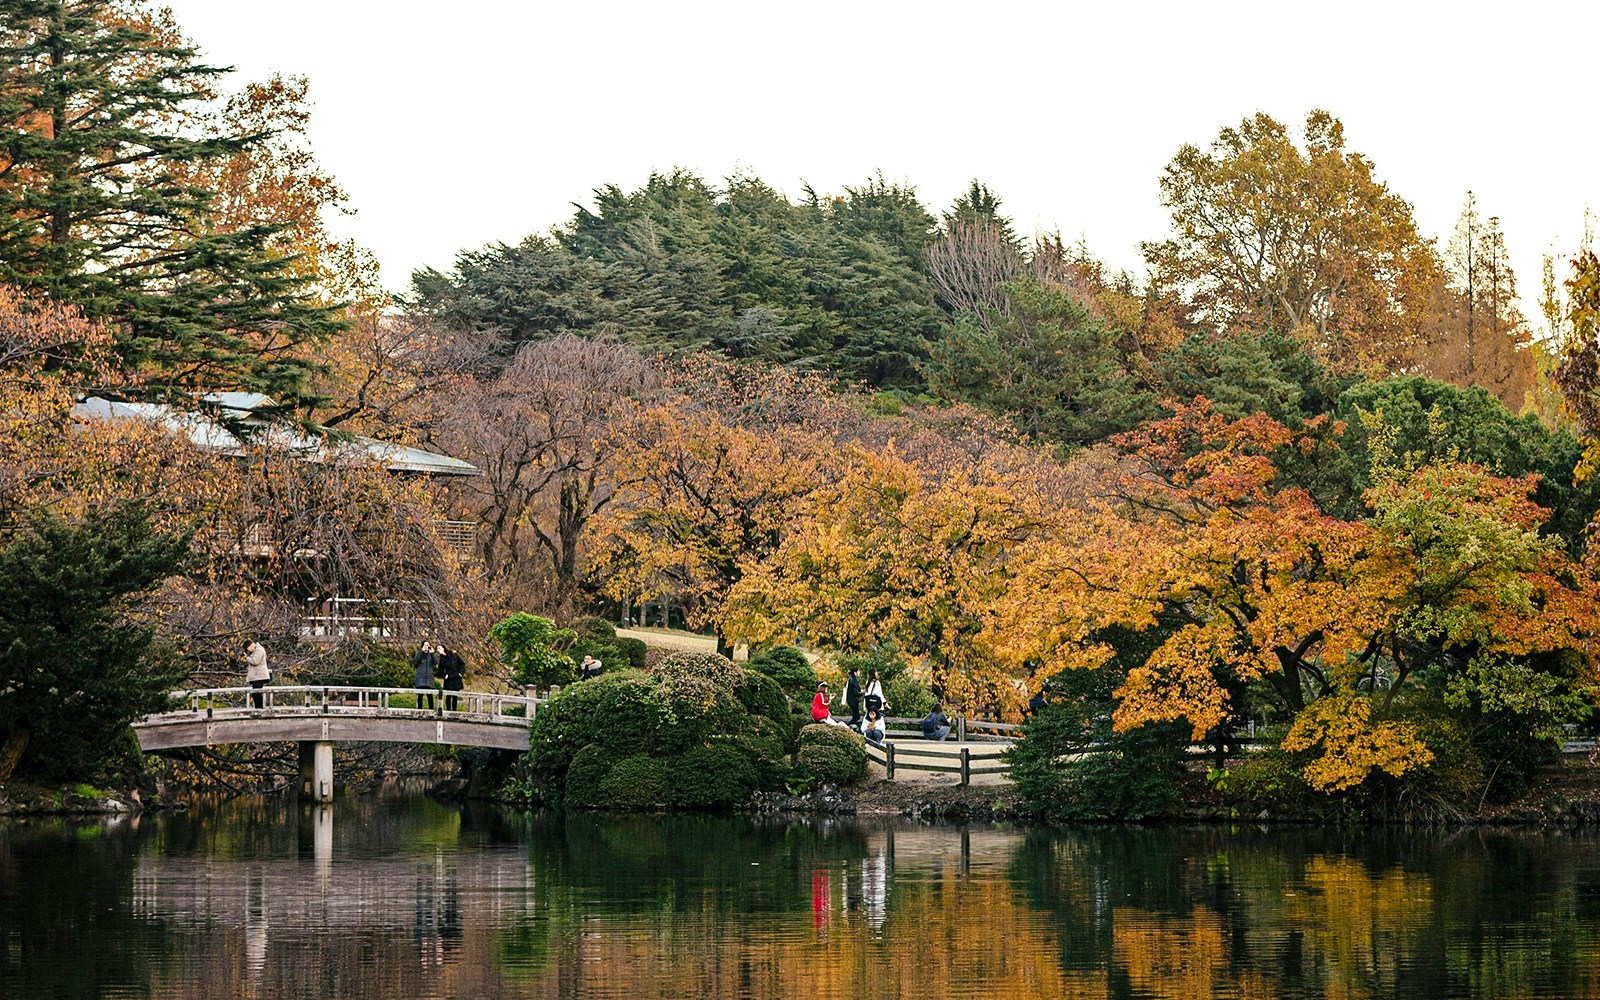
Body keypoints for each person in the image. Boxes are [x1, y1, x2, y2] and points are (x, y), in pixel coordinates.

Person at [438, 644, 465, 712]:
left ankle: (454, 712)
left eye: (439, 648)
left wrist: (460, 673)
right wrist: (445, 676)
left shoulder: (453, 654)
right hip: (449, 680)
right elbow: (440, 671)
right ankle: (448, 711)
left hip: (456, 678)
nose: (439, 650)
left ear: (443, 648)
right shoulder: (442, 659)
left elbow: (462, 663)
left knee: (455, 697)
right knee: (448, 697)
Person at [412, 641, 438, 710]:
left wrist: (432, 653)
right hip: (420, 678)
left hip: (429, 679)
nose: (427, 646)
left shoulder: (430, 655)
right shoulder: (419, 653)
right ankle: (419, 712)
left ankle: (431, 712)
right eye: (425, 645)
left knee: (430, 696)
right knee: (420, 696)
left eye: (428, 645)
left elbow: (436, 662)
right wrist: (421, 651)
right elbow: (415, 661)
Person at [244, 640, 269, 708]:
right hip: (257, 676)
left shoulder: (259, 650)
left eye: (248, 649)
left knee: (257, 694)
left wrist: (247, 658)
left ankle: (259, 709)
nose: (249, 650)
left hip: (259, 676)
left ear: (250, 646)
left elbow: (255, 661)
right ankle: (258, 708)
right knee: (255, 694)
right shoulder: (257, 650)